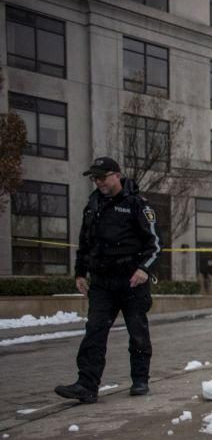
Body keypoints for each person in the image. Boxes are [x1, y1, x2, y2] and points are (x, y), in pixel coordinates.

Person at [55, 157, 161, 404]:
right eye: (94, 178)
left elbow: (155, 244)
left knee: (137, 332)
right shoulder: (93, 204)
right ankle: (87, 385)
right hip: (102, 282)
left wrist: (144, 269)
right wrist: (80, 273)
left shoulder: (137, 204)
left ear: (116, 175)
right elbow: (85, 243)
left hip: (132, 281)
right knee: (94, 331)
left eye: (102, 177)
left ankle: (140, 379)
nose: (98, 182)